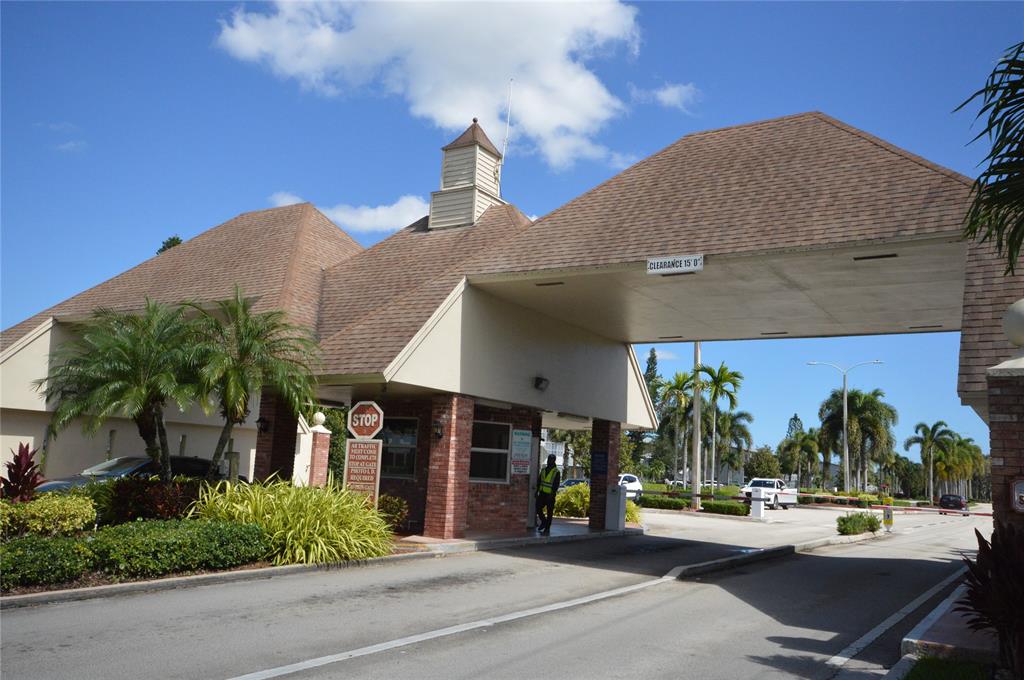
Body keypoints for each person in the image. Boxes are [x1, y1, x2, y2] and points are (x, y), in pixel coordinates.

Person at [536, 453, 561, 535]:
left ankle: (547, 528)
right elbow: (539, 481)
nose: (549, 460)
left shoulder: (556, 471)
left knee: (549, 512)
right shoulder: (543, 470)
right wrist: (537, 491)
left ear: (554, 460)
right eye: (549, 459)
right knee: (538, 508)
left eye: (551, 459)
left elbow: (556, 484)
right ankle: (544, 522)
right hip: (542, 494)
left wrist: (552, 493)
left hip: (550, 495)